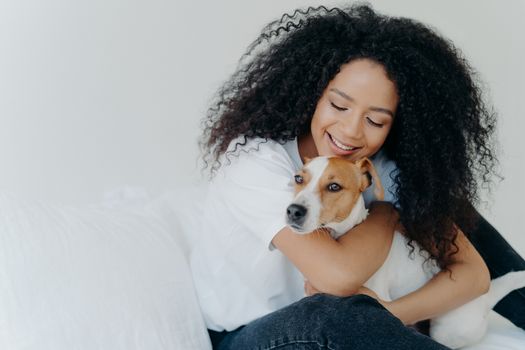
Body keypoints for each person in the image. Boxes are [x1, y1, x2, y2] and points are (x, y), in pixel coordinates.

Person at [190, 4, 525, 349]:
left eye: (376, 121)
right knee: (333, 311)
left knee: (436, 200)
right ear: (312, 93)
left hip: (354, 316)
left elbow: (473, 274)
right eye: (338, 106)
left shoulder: (380, 168)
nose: (350, 132)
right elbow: (340, 278)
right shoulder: (255, 161)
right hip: (247, 334)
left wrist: (390, 313)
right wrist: (387, 212)